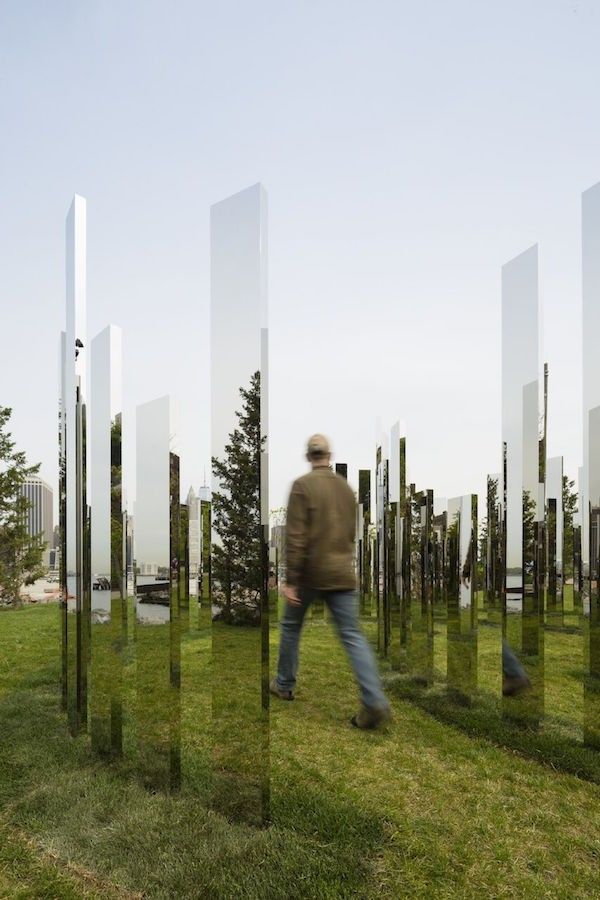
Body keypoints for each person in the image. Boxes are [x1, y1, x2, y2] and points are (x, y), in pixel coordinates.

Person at [270, 434, 391, 729]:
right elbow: (351, 532)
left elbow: (296, 537)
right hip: (343, 574)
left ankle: (284, 683)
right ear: (329, 455)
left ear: (309, 456)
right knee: (353, 636)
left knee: (290, 627)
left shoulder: (302, 486)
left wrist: (291, 580)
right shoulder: (346, 490)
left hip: (311, 573)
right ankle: (374, 700)